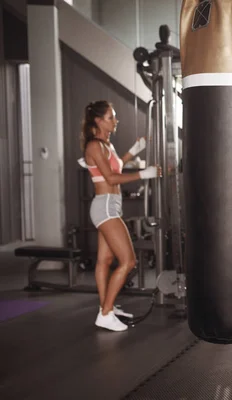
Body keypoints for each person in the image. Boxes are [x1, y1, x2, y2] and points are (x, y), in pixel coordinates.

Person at [78, 100, 161, 332]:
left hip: (112, 205)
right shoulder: (94, 146)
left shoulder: (106, 145)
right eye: (111, 117)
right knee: (128, 261)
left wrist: (134, 151)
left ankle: (107, 308)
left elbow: (116, 168)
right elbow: (111, 179)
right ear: (98, 121)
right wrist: (144, 174)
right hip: (104, 206)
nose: (116, 121)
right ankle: (105, 313)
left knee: (105, 261)